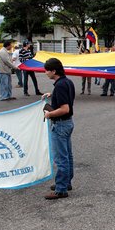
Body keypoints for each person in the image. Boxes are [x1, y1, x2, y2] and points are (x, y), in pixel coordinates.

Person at [42, 57, 75, 200]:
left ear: (54, 71)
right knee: (67, 155)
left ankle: (61, 189)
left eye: (47, 70)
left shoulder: (60, 86)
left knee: (60, 158)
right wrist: (52, 94)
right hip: (67, 123)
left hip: (60, 124)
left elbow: (65, 108)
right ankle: (66, 182)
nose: (45, 73)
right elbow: (66, 98)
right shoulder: (66, 82)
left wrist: (49, 114)